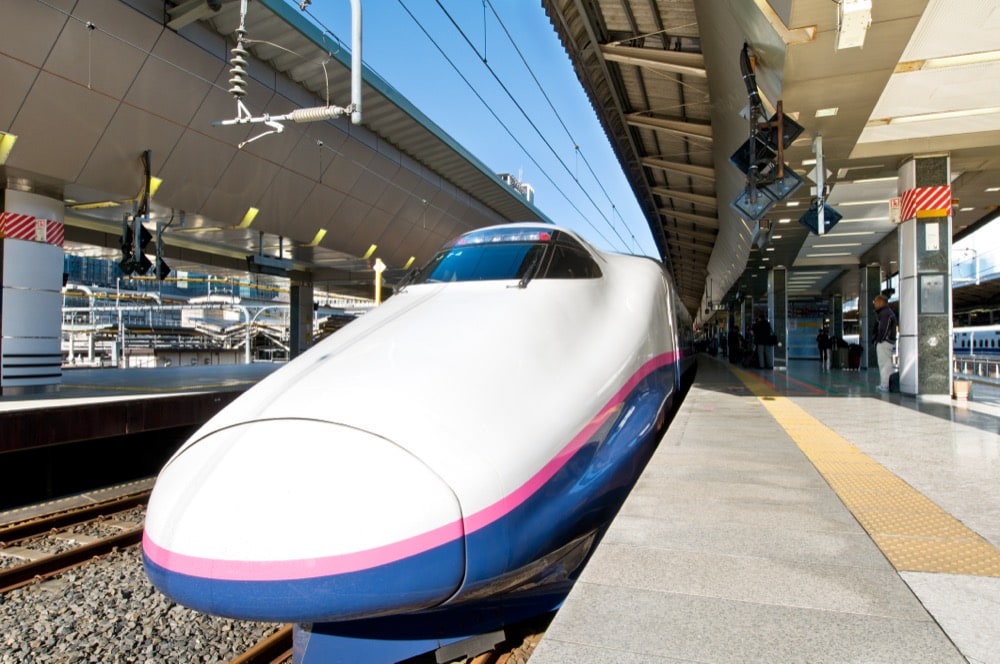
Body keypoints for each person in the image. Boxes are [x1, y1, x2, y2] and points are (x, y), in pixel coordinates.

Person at [871, 294, 897, 392]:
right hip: (887, 341)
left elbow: (883, 328)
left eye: (876, 302)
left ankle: (885, 385)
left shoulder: (884, 313)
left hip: (885, 342)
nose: (874, 304)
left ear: (881, 302)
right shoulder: (886, 312)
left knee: (884, 364)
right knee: (886, 363)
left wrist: (879, 340)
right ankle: (887, 384)